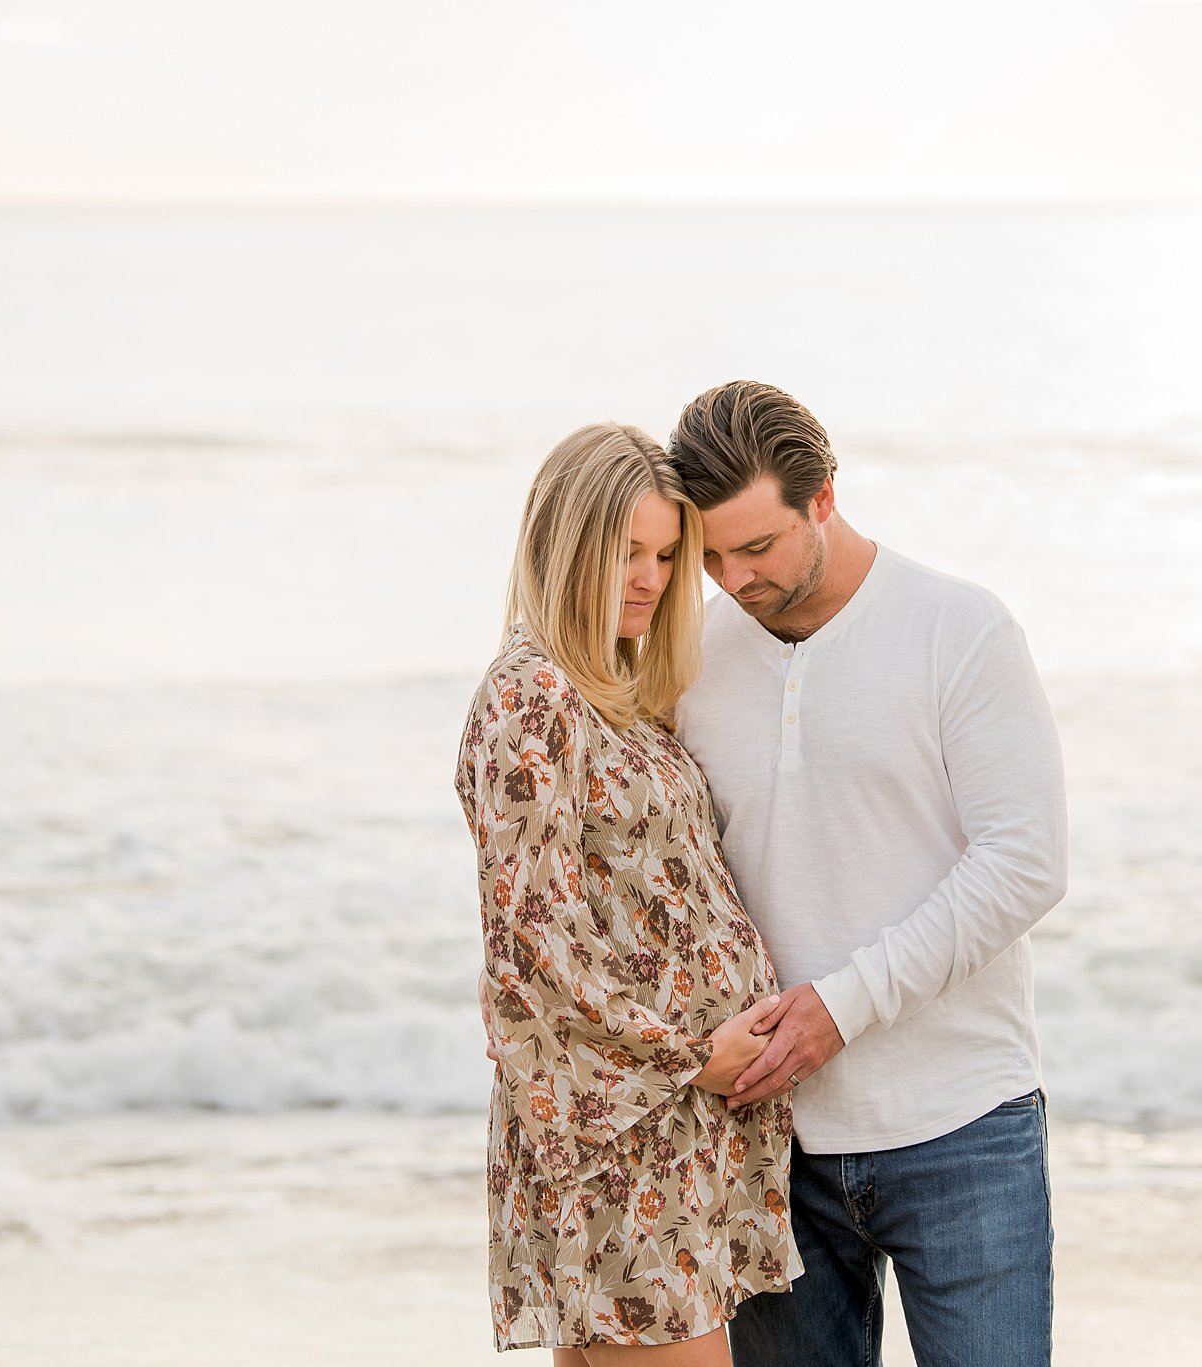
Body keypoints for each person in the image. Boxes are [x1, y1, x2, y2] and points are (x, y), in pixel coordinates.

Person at [667, 382, 1069, 1367]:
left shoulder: (956, 628)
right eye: (710, 555)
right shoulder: (690, 657)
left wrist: (839, 1006)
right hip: (766, 1140)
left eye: (756, 546)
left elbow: (1025, 861)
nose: (734, 577)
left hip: (961, 1122)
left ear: (823, 497)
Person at [456, 423, 802, 1364]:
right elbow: (536, 944)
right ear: (564, 545)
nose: (650, 578)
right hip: (622, 1139)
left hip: (672, 1131)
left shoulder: (612, 693)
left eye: (664, 555)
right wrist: (698, 1054)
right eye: (625, 553)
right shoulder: (533, 700)